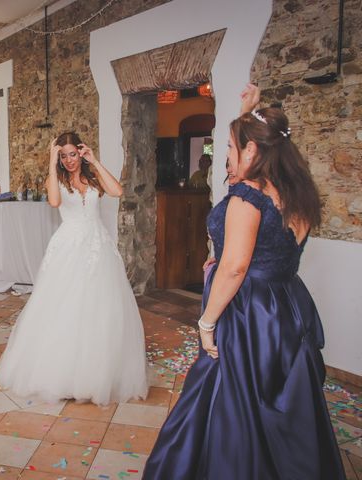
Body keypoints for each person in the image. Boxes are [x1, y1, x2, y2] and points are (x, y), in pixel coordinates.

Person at [142, 85, 345, 479]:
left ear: (252, 152)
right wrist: (247, 113)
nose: (228, 158)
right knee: (274, 398)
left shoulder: (248, 198)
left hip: (247, 310)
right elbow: (263, 243)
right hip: (286, 305)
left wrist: (206, 322)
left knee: (228, 396)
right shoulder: (294, 191)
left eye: (233, 149)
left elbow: (235, 267)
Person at [0, 132, 148, 406]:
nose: (68, 160)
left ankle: (93, 376)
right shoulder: (56, 180)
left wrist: (95, 161)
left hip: (98, 248)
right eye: (63, 156)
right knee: (65, 309)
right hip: (68, 247)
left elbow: (117, 191)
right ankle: (63, 377)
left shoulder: (91, 177)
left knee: (97, 312)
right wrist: (52, 162)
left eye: (72, 154)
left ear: (81, 152)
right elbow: (54, 202)